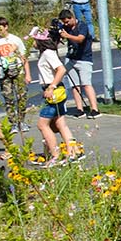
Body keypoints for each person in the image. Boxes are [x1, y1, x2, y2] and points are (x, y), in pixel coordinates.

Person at [30, 27, 79, 164]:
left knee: (42, 124)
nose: (32, 43)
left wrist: (52, 86)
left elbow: (61, 69)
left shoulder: (47, 53)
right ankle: (73, 151)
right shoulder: (46, 53)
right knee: (60, 123)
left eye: (33, 40)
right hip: (56, 90)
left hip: (52, 91)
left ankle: (55, 155)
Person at [0, 15, 31, 135]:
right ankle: (13, 122)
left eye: (0, 28)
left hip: (18, 71)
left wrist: (27, 73)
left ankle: (21, 121)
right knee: (8, 98)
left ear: (6, 27)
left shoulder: (15, 39)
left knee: (21, 97)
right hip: (5, 73)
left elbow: (24, 57)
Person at [58, 8, 99, 117]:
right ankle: (79, 109)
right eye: (64, 22)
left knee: (86, 84)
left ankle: (94, 109)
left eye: (67, 21)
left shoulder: (82, 26)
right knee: (75, 85)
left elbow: (80, 39)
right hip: (71, 58)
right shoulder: (64, 27)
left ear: (72, 17)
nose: (66, 24)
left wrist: (67, 36)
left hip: (84, 59)